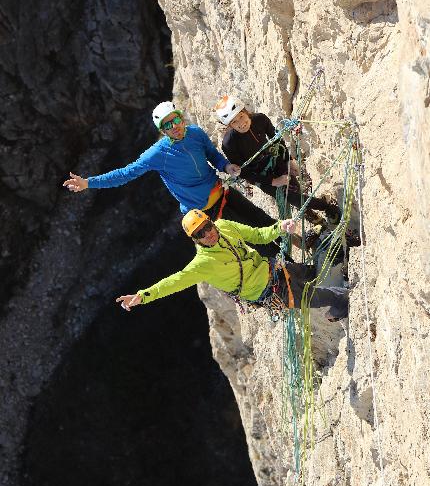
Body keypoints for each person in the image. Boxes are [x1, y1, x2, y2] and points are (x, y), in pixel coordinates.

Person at [63, 101, 277, 229]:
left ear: (181, 118)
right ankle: (294, 270)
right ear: (162, 130)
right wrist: (89, 183)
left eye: (176, 120)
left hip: (221, 191)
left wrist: (226, 166)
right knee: (255, 236)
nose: (174, 127)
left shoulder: (195, 133)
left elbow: (212, 154)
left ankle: (300, 246)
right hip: (206, 209)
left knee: (263, 219)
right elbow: (126, 173)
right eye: (167, 125)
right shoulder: (157, 154)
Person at [116, 209, 349, 322]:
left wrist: (280, 227)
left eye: (207, 227)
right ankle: (340, 297)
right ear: (195, 240)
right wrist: (143, 296)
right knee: (305, 297)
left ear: (210, 222)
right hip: (264, 289)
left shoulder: (225, 226)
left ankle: (340, 288)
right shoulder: (203, 264)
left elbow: (258, 235)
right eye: (200, 234)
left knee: (307, 274)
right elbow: (175, 281)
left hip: (271, 269)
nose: (208, 234)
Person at [214, 95, 341, 223]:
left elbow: (277, 140)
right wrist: (273, 181)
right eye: (234, 122)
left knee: (295, 191)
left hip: (275, 161)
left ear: (245, 112)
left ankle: (314, 212)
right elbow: (246, 174)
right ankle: (325, 208)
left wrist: (288, 160)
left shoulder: (260, 119)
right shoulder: (229, 144)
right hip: (260, 176)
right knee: (291, 198)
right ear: (230, 125)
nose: (241, 124)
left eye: (241, 116)